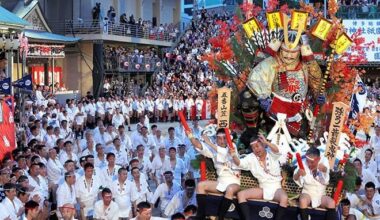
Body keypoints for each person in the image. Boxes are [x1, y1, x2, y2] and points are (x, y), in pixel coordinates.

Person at [246, 25, 322, 137]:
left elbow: (317, 84)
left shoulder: (306, 66)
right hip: (274, 113)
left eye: (293, 52)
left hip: (300, 114)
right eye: (285, 51)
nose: (288, 55)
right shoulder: (271, 63)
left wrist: (319, 95)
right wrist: (263, 98)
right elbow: (256, 79)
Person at [186, 128, 240, 220]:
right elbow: (198, 145)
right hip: (221, 181)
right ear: (216, 139)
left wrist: (209, 142)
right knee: (200, 186)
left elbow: (224, 153)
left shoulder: (232, 147)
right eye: (219, 138)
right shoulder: (213, 149)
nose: (222, 141)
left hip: (234, 181)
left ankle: (221, 218)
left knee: (230, 189)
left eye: (224, 138)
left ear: (228, 138)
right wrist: (190, 135)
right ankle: (201, 215)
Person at [231, 134, 288, 220]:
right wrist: (233, 155)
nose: (256, 149)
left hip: (276, 188)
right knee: (241, 195)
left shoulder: (271, 152)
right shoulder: (251, 157)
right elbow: (239, 163)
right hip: (262, 188)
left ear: (263, 145)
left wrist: (266, 142)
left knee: (284, 198)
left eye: (257, 146)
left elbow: (277, 150)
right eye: (253, 148)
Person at [293, 147, 336, 220]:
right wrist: (298, 174)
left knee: (331, 203)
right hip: (307, 192)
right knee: (303, 200)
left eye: (312, 162)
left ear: (318, 159)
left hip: (321, 193)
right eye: (308, 161)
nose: (309, 164)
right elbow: (295, 178)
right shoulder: (303, 162)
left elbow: (325, 181)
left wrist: (325, 170)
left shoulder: (324, 161)